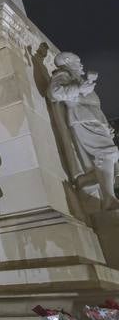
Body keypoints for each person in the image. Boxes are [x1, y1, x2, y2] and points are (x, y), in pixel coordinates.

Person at [47, 51, 119, 210]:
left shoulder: (74, 76)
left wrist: (106, 126)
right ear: (66, 60)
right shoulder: (63, 73)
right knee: (107, 153)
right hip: (83, 118)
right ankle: (109, 199)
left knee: (111, 163)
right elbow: (55, 92)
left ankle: (85, 181)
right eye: (77, 61)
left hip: (94, 119)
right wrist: (79, 88)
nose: (81, 65)